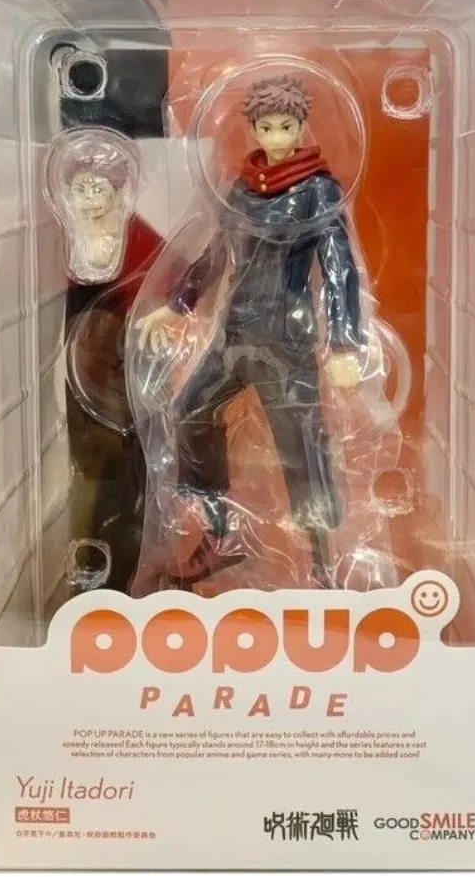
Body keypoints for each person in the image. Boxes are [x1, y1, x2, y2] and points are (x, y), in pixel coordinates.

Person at [136, 74, 365, 585]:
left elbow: (339, 267)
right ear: (254, 129)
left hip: (285, 341)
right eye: (266, 127)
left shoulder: (318, 190)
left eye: (286, 126)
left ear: (301, 127)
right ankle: (222, 532)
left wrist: (344, 343)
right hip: (235, 332)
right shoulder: (243, 189)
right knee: (189, 411)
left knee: (301, 446)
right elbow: (218, 252)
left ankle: (323, 566)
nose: (276, 137)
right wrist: (178, 305)